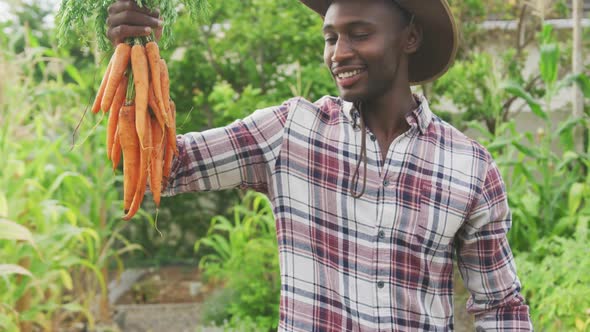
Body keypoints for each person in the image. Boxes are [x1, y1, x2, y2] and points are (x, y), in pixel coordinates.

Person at [106, 0, 533, 330]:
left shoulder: (468, 166)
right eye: (331, 38)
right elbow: (165, 169)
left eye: (359, 34)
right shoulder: (290, 131)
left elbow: (500, 306)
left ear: (410, 38)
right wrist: (131, 57)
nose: (339, 54)